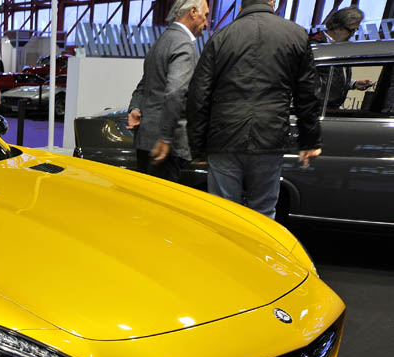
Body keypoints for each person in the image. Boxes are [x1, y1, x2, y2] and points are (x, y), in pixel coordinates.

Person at [186, 0, 322, 220]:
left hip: (224, 137)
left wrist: (198, 147)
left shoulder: (221, 37)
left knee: (222, 213)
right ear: (273, 2)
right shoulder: (296, 35)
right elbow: (307, 93)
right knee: (263, 213)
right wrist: (310, 140)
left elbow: (198, 94)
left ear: (241, 6)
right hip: (270, 136)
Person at [127, 0, 209, 183]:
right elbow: (175, 93)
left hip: (145, 140)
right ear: (193, 12)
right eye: (205, 15)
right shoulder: (183, 45)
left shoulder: (161, 41)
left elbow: (144, 84)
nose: (206, 22)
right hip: (166, 147)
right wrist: (165, 137)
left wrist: (135, 108)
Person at [314, 8, 371, 108]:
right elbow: (308, 80)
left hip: (331, 107)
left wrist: (353, 84)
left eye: (355, 30)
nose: (352, 35)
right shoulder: (316, 45)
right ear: (337, 27)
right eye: (351, 30)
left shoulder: (340, 46)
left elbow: (334, 76)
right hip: (315, 108)